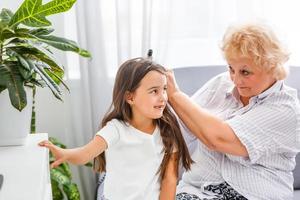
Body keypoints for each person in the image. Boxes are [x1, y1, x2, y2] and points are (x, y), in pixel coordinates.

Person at [166, 23, 300, 199]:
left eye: (245, 72)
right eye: (231, 68)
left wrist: (175, 94)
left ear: (271, 67)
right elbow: (180, 127)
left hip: (253, 195)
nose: (236, 79)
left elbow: (219, 138)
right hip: (198, 191)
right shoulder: (222, 83)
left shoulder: (286, 110)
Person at [39, 57, 193, 200]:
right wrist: (64, 153)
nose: (163, 97)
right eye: (154, 91)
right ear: (130, 97)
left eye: (164, 89)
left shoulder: (167, 131)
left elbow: (170, 179)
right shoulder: (115, 130)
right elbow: (85, 154)